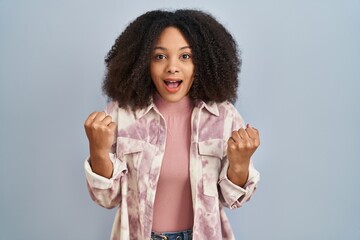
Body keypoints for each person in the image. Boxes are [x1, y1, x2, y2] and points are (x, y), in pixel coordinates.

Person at [84, 9, 260, 240]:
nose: (172, 67)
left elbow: (232, 200)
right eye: (160, 56)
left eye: (185, 56)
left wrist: (240, 164)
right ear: (141, 62)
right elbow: (107, 199)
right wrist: (97, 151)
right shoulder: (120, 115)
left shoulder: (223, 117)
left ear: (204, 62)